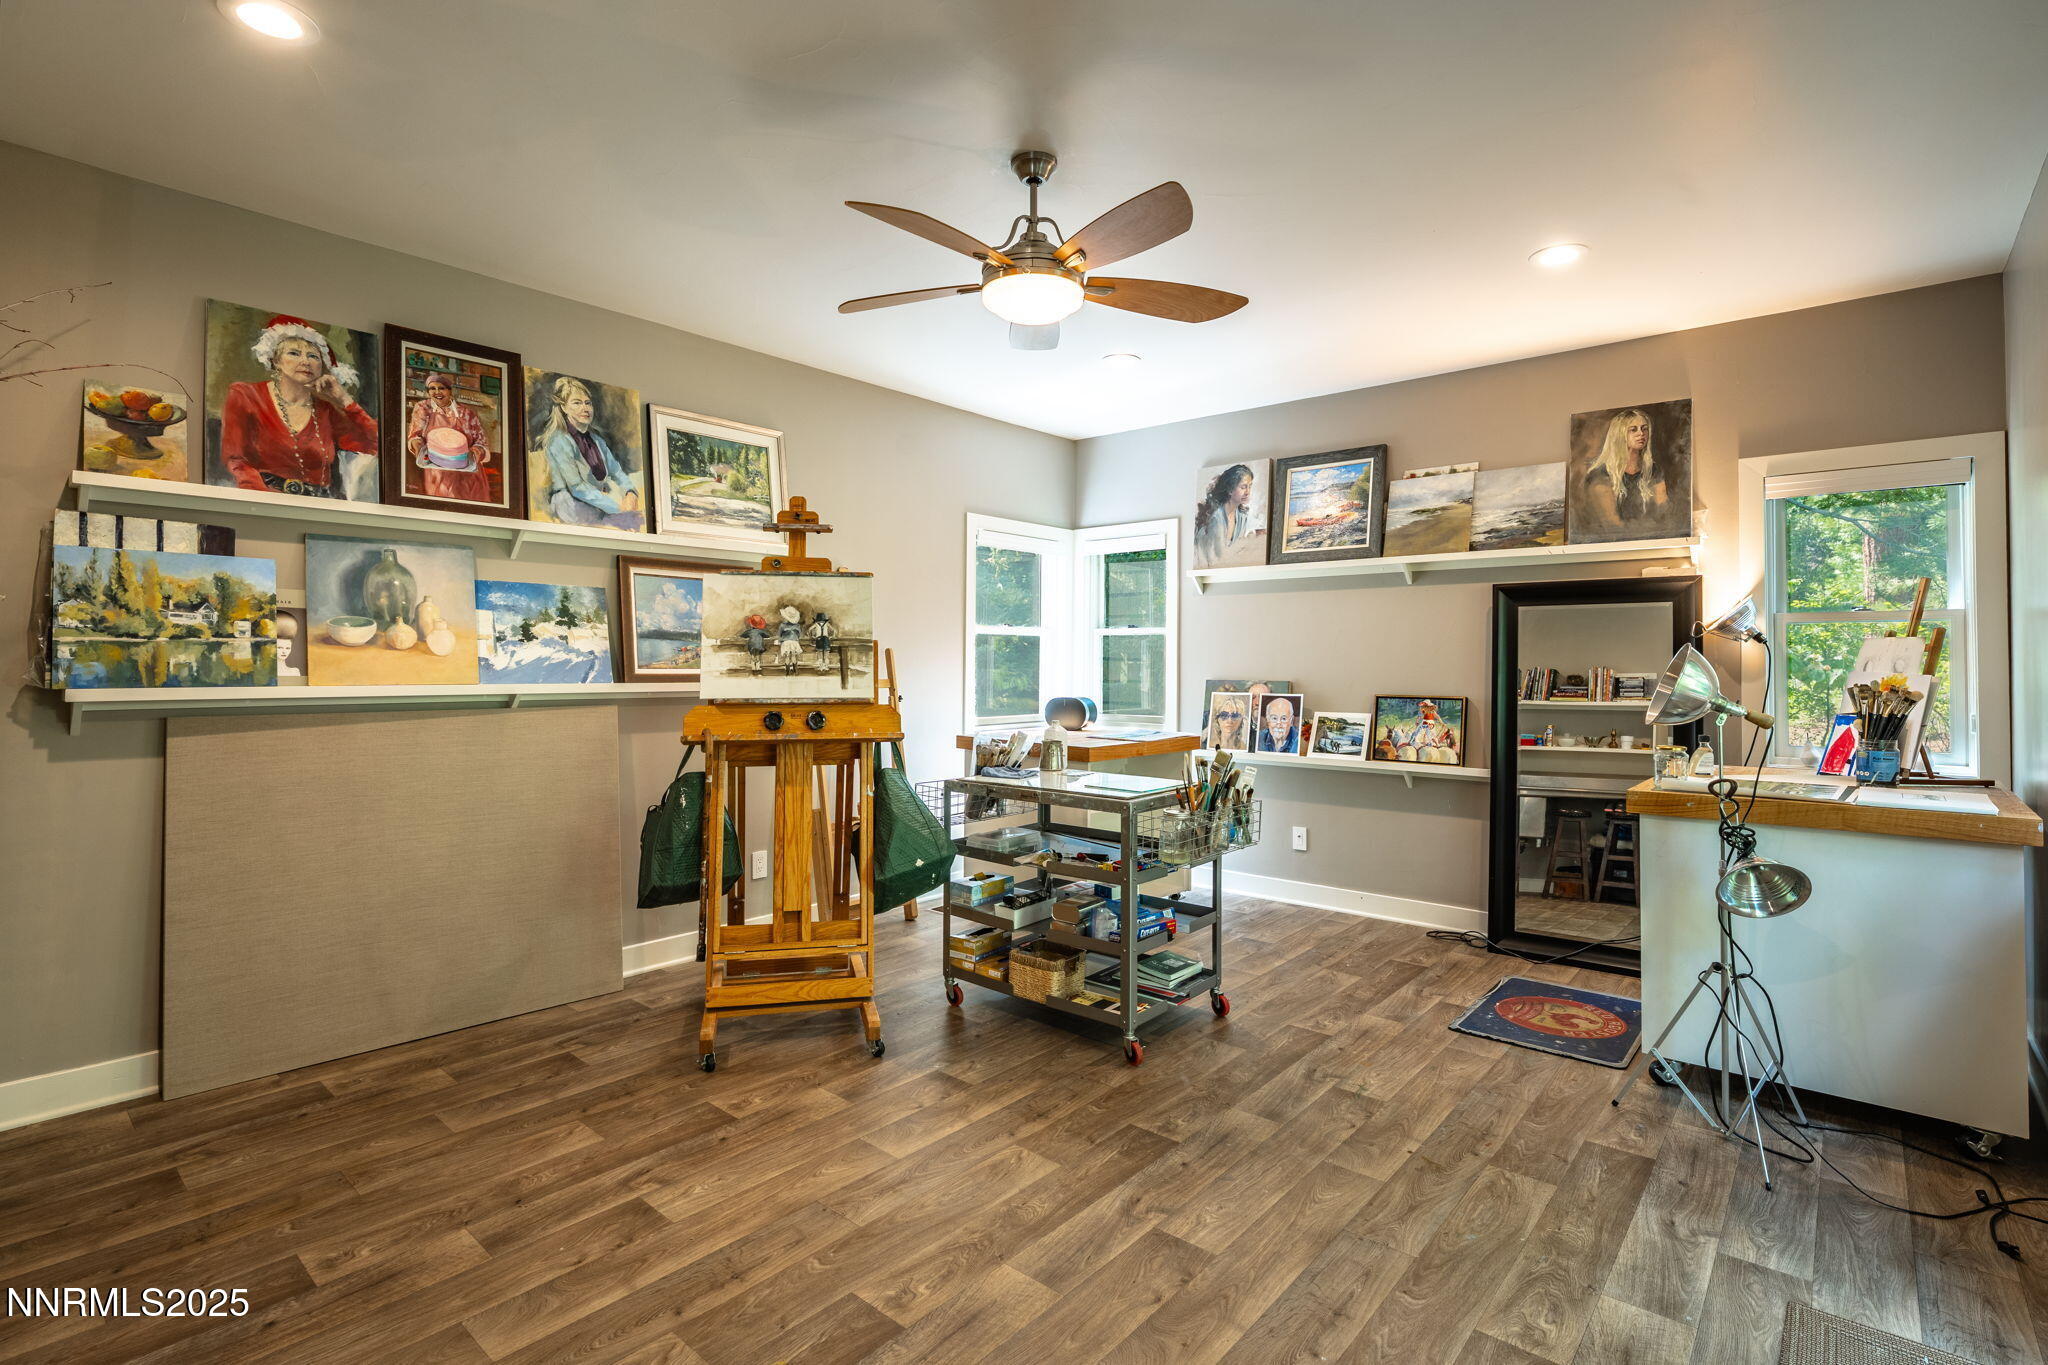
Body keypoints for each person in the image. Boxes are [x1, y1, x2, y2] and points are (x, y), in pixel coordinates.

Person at [217, 314, 379, 498]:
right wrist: (263, 500)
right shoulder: (245, 395)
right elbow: (236, 460)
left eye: (313, 356)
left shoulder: (326, 411)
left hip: (320, 506)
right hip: (263, 501)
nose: (305, 361)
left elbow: (376, 444)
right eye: (294, 353)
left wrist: (344, 399)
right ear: (275, 360)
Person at [531, 375, 642, 528]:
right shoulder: (558, 440)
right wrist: (617, 506)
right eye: (577, 403)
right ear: (564, 408)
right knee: (630, 523)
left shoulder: (597, 440)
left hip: (599, 503)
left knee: (635, 520)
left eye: (588, 403)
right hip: (572, 506)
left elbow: (617, 471)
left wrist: (630, 492)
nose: (585, 408)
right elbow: (577, 487)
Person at [406, 372, 494, 503]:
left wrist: (475, 454)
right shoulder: (423, 408)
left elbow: (481, 441)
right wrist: (418, 447)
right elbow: (415, 434)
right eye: (432, 388)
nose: (437, 392)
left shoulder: (467, 413)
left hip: (468, 473)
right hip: (438, 471)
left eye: (441, 388)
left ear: (450, 390)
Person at [1580, 408, 1667, 526]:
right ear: (1619, 434)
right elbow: (1611, 522)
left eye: (1644, 428)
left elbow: (1663, 511)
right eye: (1633, 430)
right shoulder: (1600, 474)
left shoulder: (1653, 470)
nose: (1641, 433)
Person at [1193, 464, 1262, 565]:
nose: (1248, 492)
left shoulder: (1242, 516)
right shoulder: (1216, 518)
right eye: (1243, 487)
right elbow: (1219, 559)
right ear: (1230, 489)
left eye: (1249, 487)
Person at [775, 605, 805, 673]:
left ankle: (787, 670)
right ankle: (795, 670)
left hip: (785, 642)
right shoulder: (797, 626)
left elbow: (779, 635)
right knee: (794, 655)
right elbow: (800, 635)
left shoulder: (782, 625)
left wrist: (780, 640)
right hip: (794, 641)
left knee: (787, 656)